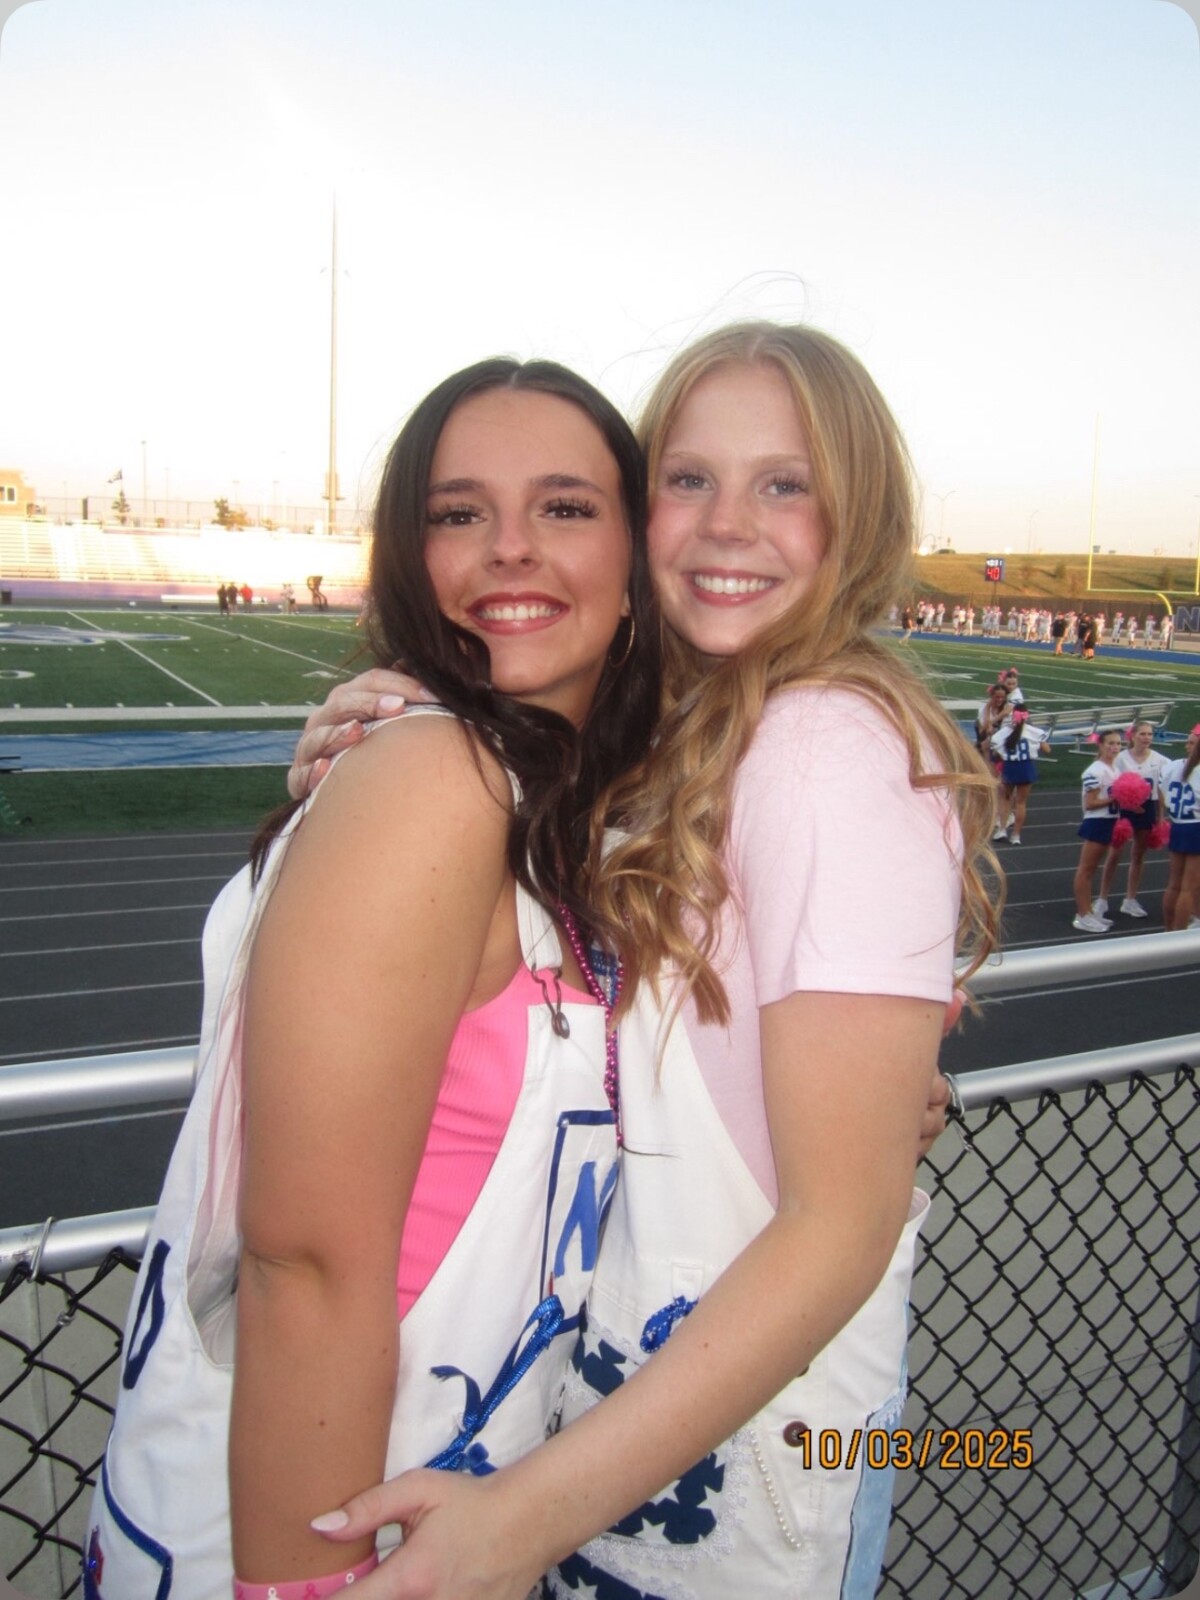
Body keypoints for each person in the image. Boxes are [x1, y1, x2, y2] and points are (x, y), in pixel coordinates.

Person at [288, 322, 998, 1600]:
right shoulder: (694, 735)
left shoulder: (827, 748)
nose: (729, 523)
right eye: (690, 478)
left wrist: (521, 1520)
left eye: (785, 484)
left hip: (742, 1473)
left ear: (859, 516)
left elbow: (842, 1223)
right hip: (638, 1431)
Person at [83, 358, 663, 1600]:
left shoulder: (566, 804)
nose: (510, 547)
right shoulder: (437, 776)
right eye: (459, 512)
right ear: (412, 552)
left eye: (565, 506)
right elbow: (302, 1265)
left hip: (446, 1517)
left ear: (637, 558)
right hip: (316, 1539)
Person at [1094, 720, 1169, 919]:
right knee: (1114, 854)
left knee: (1138, 854)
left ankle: (1130, 899)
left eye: (1150, 734)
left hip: (1147, 808)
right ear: (1133, 736)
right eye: (1143, 734)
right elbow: (1111, 785)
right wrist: (1127, 804)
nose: (1147, 738)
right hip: (1123, 809)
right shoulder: (1120, 759)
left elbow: (1160, 791)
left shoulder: (1161, 760)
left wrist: (1160, 817)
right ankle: (1102, 899)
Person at [1072, 729, 1122, 932]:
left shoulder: (1115, 769)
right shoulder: (1095, 770)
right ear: (1100, 745)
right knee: (1086, 869)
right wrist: (1115, 798)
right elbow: (1090, 803)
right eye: (1110, 743)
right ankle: (1083, 915)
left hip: (1109, 821)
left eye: (1118, 743)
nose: (1115, 747)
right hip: (1097, 822)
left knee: (1092, 869)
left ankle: (1089, 912)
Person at [990, 706, 1049, 845]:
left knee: (1005, 800)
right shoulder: (1034, 731)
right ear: (1026, 716)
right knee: (1021, 803)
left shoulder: (1003, 733)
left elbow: (996, 754)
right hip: (1026, 767)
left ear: (1013, 716)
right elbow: (1047, 750)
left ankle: (1002, 830)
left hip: (1010, 767)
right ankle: (1016, 836)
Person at [1162, 725, 1200, 931]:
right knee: (1188, 889)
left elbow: (1161, 792)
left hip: (1177, 826)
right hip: (1196, 828)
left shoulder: (1174, 766)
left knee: (1174, 885)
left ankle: (1169, 931)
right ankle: (1179, 934)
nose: (1187, 746)